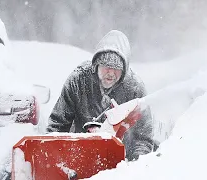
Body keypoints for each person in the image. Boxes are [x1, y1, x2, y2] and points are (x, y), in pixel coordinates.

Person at [46, 30, 154, 161]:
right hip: (79, 157)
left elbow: (143, 139)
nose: (110, 73)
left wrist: (133, 167)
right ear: (96, 65)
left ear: (124, 70)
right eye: (106, 66)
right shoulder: (78, 81)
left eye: (116, 68)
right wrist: (55, 159)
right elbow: (57, 126)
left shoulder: (135, 89)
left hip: (121, 163)